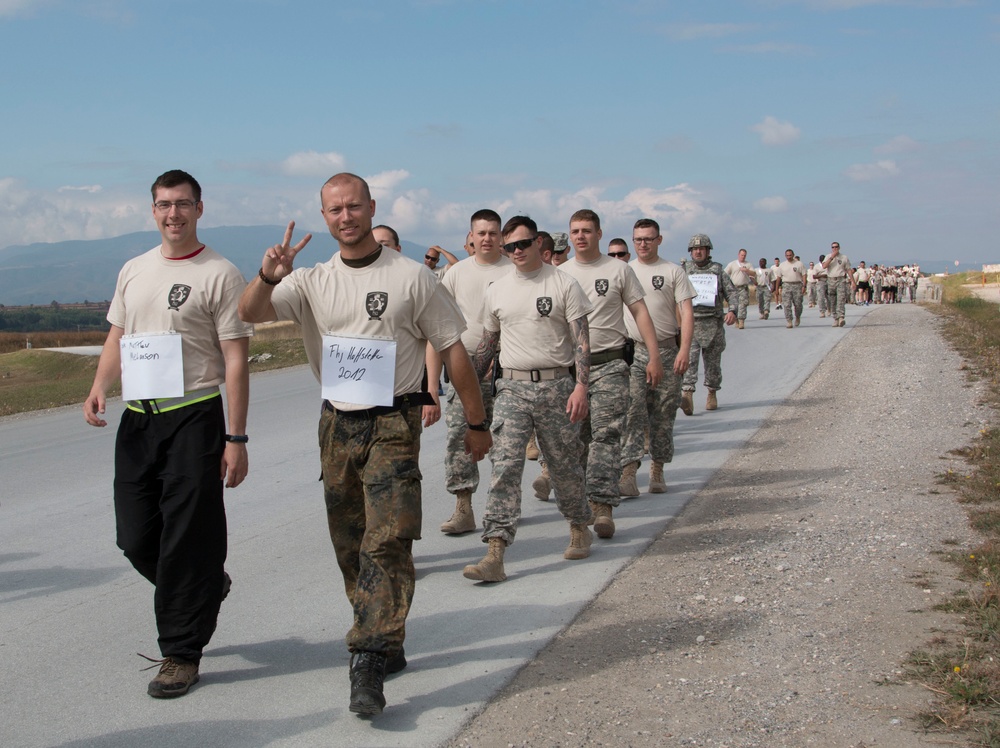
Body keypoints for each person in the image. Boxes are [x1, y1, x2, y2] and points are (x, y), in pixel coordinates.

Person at [238, 172, 491, 717]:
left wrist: (476, 421)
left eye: (354, 206)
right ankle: (384, 629)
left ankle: (368, 658)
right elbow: (250, 313)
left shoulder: (411, 278)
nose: (345, 216)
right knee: (350, 540)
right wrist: (266, 275)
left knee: (389, 539)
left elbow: (452, 350)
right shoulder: (311, 280)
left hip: (394, 421)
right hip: (336, 424)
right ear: (324, 216)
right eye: (334, 210)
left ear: (372, 208)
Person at [82, 169, 252, 699]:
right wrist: (98, 385)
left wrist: (236, 437)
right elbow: (118, 333)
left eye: (182, 204)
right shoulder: (134, 269)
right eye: (163, 204)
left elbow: (235, 359)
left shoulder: (220, 272)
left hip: (194, 415)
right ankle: (203, 587)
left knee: (186, 537)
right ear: (152, 210)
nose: (172, 213)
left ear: (200, 208)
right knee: (134, 537)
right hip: (138, 419)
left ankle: (180, 653)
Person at [462, 215, 593, 583]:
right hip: (512, 389)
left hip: (557, 386)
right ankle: (495, 551)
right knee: (504, 465)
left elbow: (582, 340)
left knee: (565, 464)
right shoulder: (498, 289)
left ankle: (580, 524)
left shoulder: (564, 283)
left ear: (539, 243)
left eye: (523, 244)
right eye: (510, 247)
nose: (516, 251)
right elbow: (488, 344)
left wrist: (582, 386)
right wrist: (468, 382)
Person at [558, 210, 662, 538]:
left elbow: (640, 312)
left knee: (606, 434)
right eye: (575, 231)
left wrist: (654, 355)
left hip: (611, 364)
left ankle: (603, 507)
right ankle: (583, 505)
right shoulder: (559, 274)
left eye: (586, 230)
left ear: (599, 233)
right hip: (571, 371)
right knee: (578, 441)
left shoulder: (619, 270)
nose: (580, 236)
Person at [433, 209, 512, 535]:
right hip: (463, 366)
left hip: (505, 366)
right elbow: (437, 327)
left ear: (501, 236)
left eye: (493, 233)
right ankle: (463, 508)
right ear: (471, 236)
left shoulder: (513, 270)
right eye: (481, 233)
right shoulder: (456, 273)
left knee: (504, 441)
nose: (487, 238)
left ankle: (503, 507)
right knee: (458, 438)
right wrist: (431, 381)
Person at [619, 219, 695, 496]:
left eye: (649, 239)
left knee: (663, 414)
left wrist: (684, 349)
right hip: (634, 352)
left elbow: (686, 312)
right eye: (638, 239)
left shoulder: (673, 271)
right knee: (632, 411)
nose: (643, 244)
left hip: (666, 350)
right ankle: (628, 473)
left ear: (659, 240)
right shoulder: (625, 271)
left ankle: (658, 470)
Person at [680, 234, 737, 415]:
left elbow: (732, 294)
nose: (698, 252)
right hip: (691, 323)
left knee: (713, 364)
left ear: (708, 251)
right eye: (695, 249)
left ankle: (712, 392)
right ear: (691, 251)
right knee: (689, 362)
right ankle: (687, 394)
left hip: (713, 323)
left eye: (702, 249)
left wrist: (733, 311)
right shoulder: (684, 270)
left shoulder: (717, 270)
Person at [821, 241, 854, 327]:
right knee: (832, 300)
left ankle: (841, 317)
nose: (835, 248)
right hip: (831, 280)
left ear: (839, 248)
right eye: (833, 247)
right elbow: (824, 266)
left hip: (841, 279)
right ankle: (835, 317)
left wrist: (853, 281)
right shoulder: (828, 256)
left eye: (836, 247)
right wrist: (832, 257)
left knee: (841, 298)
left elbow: (848, 270)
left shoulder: (844, 257)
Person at [724, 248, 754, 329]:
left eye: (744, 255)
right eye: (742, 255)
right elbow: (725, 274)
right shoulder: (732, 264)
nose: (743, 257)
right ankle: (736, 320)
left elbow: (754, 273)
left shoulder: (748, 264)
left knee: (743, 304)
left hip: (743, 287)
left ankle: (741, 321)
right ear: (738, 255)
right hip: (733, 288)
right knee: (735, 304)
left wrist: (747, 270)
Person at [776, 249, 808, 328]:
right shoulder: (782, 265)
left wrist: (804, 286)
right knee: (787, 304)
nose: (789, 257)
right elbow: (778, 278)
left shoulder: (799, 264)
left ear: (793, 255)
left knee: (798, 304)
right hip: (786, 285)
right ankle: (789, 320)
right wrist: (776, 289)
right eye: (787, 255)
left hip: (797, 285)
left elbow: (804, 275)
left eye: (790, 255)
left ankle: (797, 317)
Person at [814, 253, 830, 318]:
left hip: (829, 281)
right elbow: (814, 276)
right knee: (821, 298)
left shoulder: (829, 265)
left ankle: (829, 309)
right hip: (821, 282)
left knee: (830, 297)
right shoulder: (817, 266)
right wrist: (822, 275)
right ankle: (822, 311)